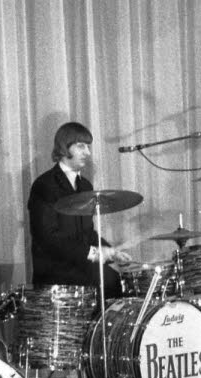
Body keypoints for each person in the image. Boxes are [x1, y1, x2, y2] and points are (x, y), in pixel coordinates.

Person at [27, 121, 130, 294]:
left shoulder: (85, 186)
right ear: (64, 146)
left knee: (121, 281)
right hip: (56, 271)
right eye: (81, 146)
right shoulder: (44, 185)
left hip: (80, 266)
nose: (87, 153)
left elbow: (87, 232)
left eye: (88, 147)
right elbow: (48, 238)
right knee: (110, 282)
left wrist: (111, 252)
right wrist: (94, 254)